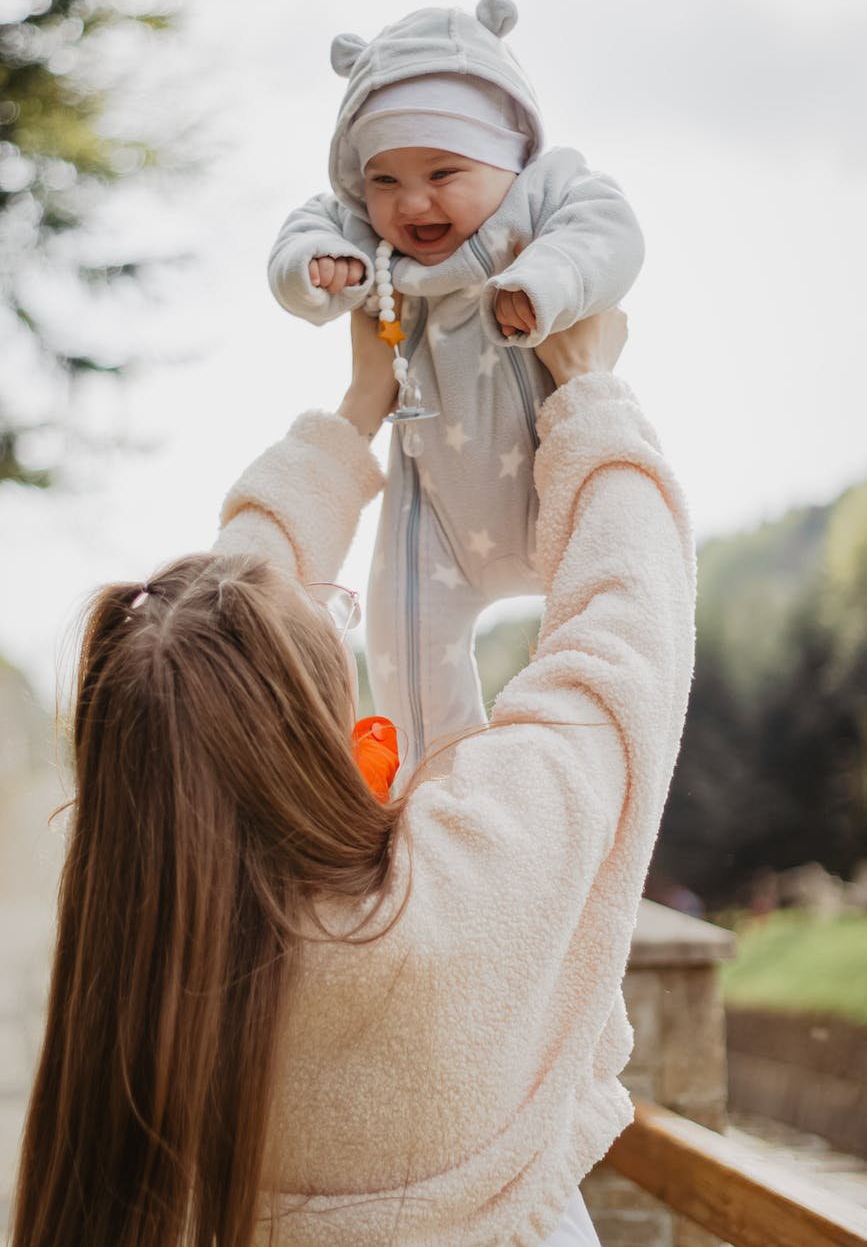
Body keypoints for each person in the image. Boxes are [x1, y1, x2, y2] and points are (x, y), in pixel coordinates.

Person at [11, 306, 695, 1247]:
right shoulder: (461, 885)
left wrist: (352, 415)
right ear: (301, 723)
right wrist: (589, 395)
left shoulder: (151, 952)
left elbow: (201, 662)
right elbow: (624, 637)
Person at [268, 0, 645, 774]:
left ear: (508, 155)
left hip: (553, 491)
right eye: (383, 180)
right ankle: (440, 786)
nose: (410, 203)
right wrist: (314, 269)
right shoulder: (363, 232)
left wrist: (546, 282)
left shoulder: (543, 196)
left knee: (606, 637)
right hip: (431, 513)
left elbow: (609, 231)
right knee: (403, 648)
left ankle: (567, 772)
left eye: (443, 171)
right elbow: (302, 231)